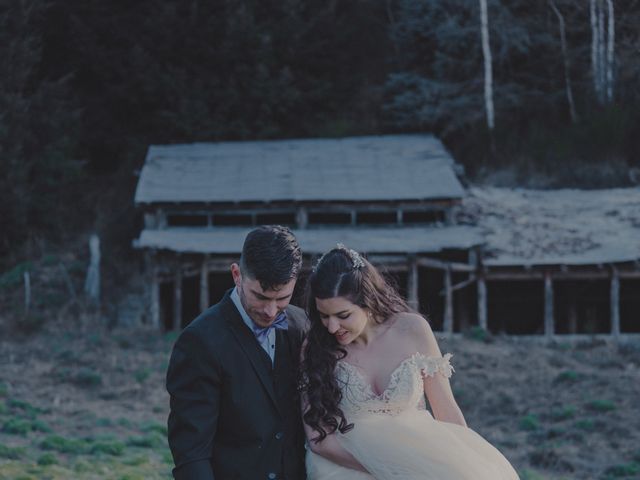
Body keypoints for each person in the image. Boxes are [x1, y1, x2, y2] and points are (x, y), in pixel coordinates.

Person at [300, 245, 520, 479]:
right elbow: (318, 441)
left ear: (368, 302)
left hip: (416, 453)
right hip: (346, 465)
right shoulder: (315, 349)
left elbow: (446, 411)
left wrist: (463, 462)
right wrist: (388, 471)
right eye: (324, 316)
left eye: (343, 316)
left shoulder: (412, 330)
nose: (332, 327)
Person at [166, 225, 308, 480]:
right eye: (260, 297)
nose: (271, 311)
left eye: (283, 298)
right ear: (236, 275)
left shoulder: (301, 325)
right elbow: (191, 453)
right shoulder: (199, 341)